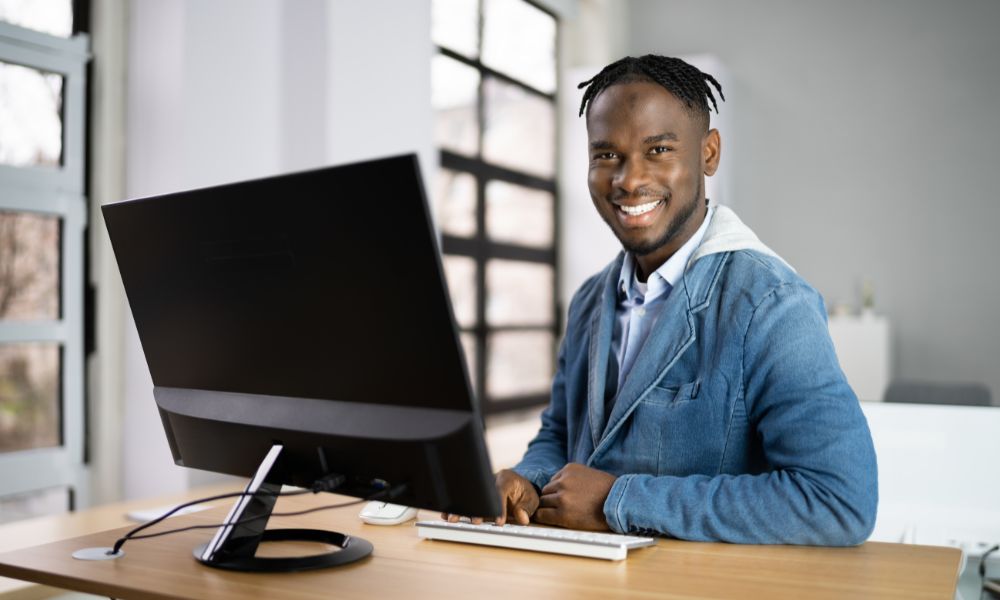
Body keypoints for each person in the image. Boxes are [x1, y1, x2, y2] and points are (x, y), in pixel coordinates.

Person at [447, 55, 878, 545]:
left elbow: (839, 500)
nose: (629, 180)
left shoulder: (772, 305)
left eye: (658, 150)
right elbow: (559, 436)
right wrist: (526, 480)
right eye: (606, 154)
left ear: (709, 153)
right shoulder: (591, 300)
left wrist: (619, 502)